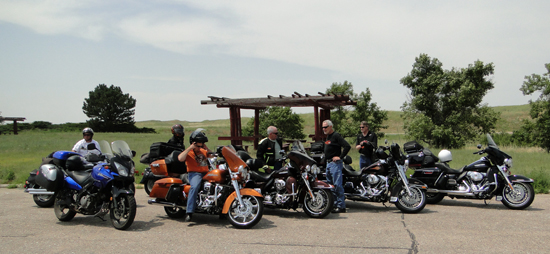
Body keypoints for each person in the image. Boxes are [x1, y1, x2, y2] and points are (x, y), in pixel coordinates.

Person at [177, 128, 212, 222]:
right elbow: (180, 158)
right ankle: (189, 212)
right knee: (195, 186)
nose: (200, 145)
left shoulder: (203, 151)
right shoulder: (189, 152)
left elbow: (212, 155)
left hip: (206, 173)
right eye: (199, 143)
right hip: (195, 173)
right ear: (194, 142)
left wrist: (206, 147)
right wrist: (190, 148)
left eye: (202, 143)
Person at [322, 120, 351, 213]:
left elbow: (347, 146)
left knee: (337, 185)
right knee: (330, 186)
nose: (324, 129)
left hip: (335, 164)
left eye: (325, 127)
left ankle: (341, 206)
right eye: (322, 127)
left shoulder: (336, 136)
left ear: (330, 127)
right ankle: (333, 204)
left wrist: (340, 157)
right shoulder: (328, 137)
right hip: (328, 164)